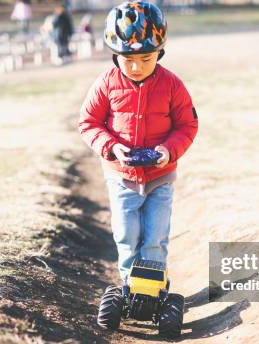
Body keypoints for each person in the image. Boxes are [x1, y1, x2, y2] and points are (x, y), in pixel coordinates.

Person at [78, 1, 198, 283]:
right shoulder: (106, 84)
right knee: (126, 235)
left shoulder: (172, 85)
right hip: (121, 177)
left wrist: (169, 150)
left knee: (155, 237)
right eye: (127, 59)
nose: (136, 67)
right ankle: (131, 288)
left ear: (160, 53)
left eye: (146, 59)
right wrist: (110, 147)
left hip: (160, 176)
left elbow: (187, 124)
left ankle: (153, 286)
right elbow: (88, 123)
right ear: (114, 55)